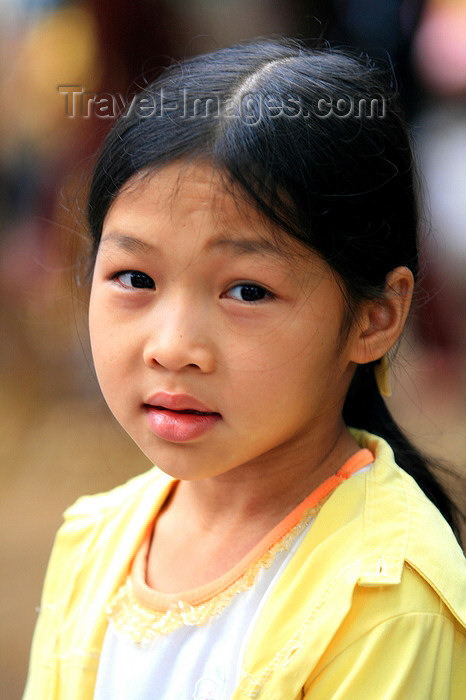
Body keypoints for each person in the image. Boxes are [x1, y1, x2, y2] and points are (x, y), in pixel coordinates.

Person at [24, 38, 465, 699]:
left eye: (247, 291)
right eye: (135, 276)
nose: (172, 347)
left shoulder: (384, 602)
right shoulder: (95, 538)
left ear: (374, 317)